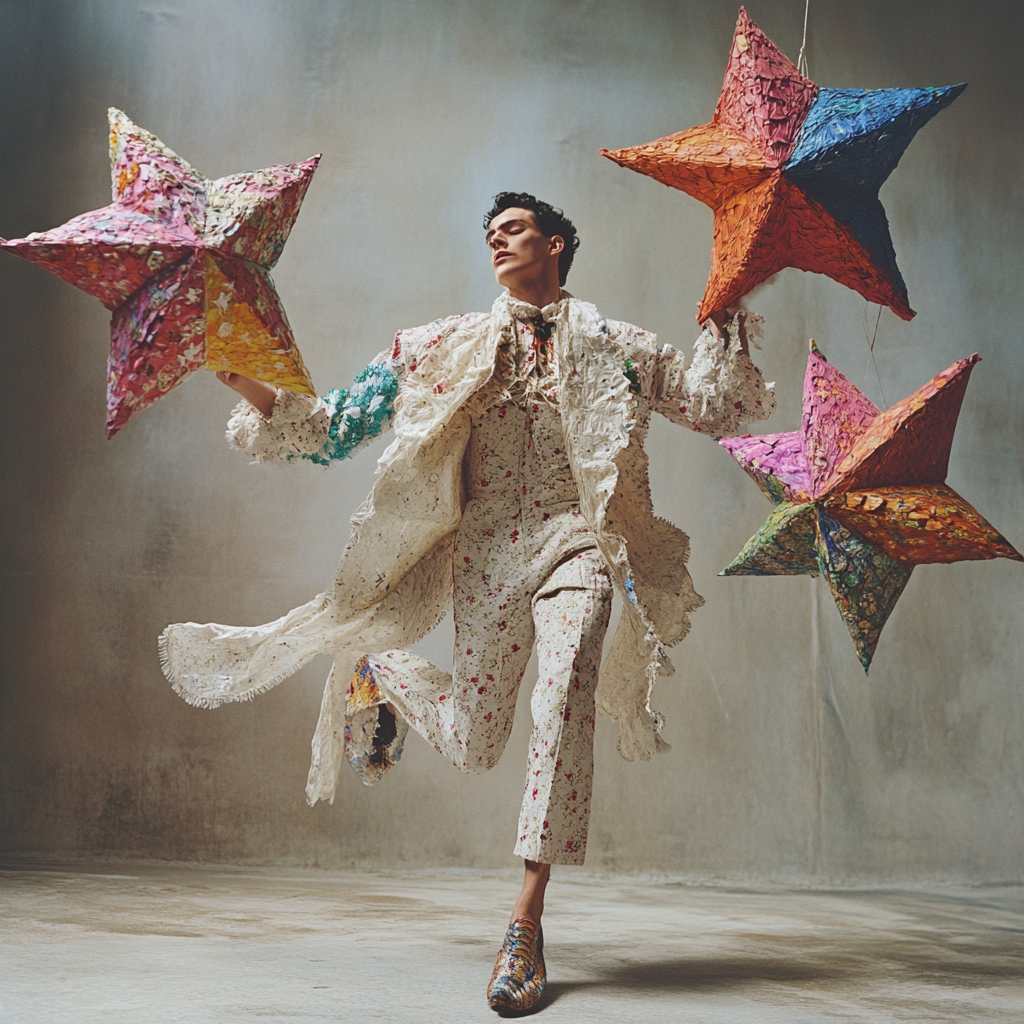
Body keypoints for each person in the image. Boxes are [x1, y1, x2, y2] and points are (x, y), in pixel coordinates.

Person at [160, 192, 774, 1013]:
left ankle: (525, 923)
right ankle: (377, 672)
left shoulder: (621, 349)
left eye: (514, 228)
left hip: (578, 542)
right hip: (485, 561)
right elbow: (335, 427)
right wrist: (245, 379)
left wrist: (729, 300)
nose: (497, 239)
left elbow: (716, 407)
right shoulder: (440, 346)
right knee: (476, 743)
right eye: (490, 233)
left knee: (564, 694)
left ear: (556, 244)